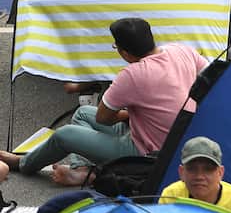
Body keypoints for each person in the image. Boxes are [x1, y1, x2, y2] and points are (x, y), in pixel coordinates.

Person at [0, 18, 206, 182]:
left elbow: (104, 118)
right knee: (82, 113)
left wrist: (129, 113)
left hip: (147, 151)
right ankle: (80, 169)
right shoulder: (181, 50)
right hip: (179, 135)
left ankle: (24, 163)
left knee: (64, 135)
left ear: (125, 53)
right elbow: (211, 74)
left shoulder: (133, 74)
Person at [160, 136, 231, 213]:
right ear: (181, 172)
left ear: (220, 173)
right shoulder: (170, 196)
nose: (199, 176)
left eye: (208, 169)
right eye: (192, 168)